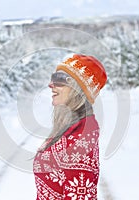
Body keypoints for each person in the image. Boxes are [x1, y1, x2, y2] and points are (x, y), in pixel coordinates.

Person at [33, 54, 107, 200]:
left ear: (78, 90)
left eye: (60, 79)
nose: (51, 84)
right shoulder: (70, 129)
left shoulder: (81, 140)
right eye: (53, 77)